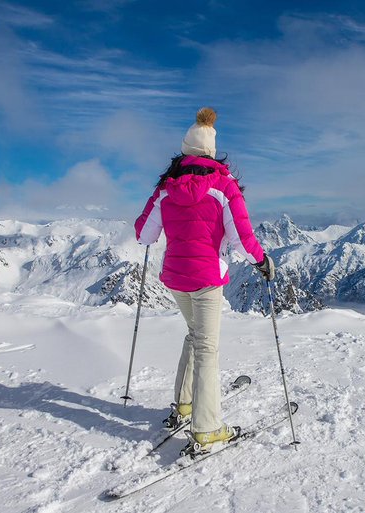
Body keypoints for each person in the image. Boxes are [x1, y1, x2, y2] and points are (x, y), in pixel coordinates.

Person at [134, 107, 274, 454]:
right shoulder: (224, 186)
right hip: (208, 278)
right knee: (207, 349)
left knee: (195, 335)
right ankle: (207, 428)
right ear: (212, 152)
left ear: (184, 151)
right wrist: (262, 261)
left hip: (176, 278)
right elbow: (242, 239)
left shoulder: (166, 189)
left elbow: (143, 234)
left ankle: (184, 404)